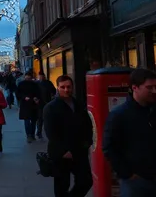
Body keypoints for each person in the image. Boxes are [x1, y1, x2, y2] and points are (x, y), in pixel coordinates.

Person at [103, 68, 156, 196]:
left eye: (155, 86)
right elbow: (108, 147)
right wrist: (127, 174)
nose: (154, 91)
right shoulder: (119, 115)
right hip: (136, 181)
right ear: (135, 88)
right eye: (149, 87)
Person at [43, 75, 93, 197]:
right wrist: (63, 151)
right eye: (63, 87)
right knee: (61, 185)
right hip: (61, 153)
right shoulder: (50, 107)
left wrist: (87, 143)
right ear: (57, 88)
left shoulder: (78, 104)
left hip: (79, 150)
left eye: (69, 87)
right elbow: (51, 132)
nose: (66, 90)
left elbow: (87, 125)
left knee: (86, 181)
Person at [17, 71, 41, 143]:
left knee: (32, 120)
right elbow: (18, 93)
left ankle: (31, 135)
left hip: (32, 104)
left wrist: (36, 98)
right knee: (28, 120)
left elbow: (38, 93)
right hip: (26, 104)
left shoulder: (34, 84)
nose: (28, 78)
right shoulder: (22, 84)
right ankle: (29, 135)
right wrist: (24, 97)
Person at [36, 72, 56, 140]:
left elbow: (53, 91)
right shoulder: (37, 83)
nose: (41, 77)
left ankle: (44, 132)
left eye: (42, 76)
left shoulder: (48, 83)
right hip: (40, 103)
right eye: (40, 76)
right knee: (40, 118)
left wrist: (53, 96)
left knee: (45, 118)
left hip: (47, 102)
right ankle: (39, 132)